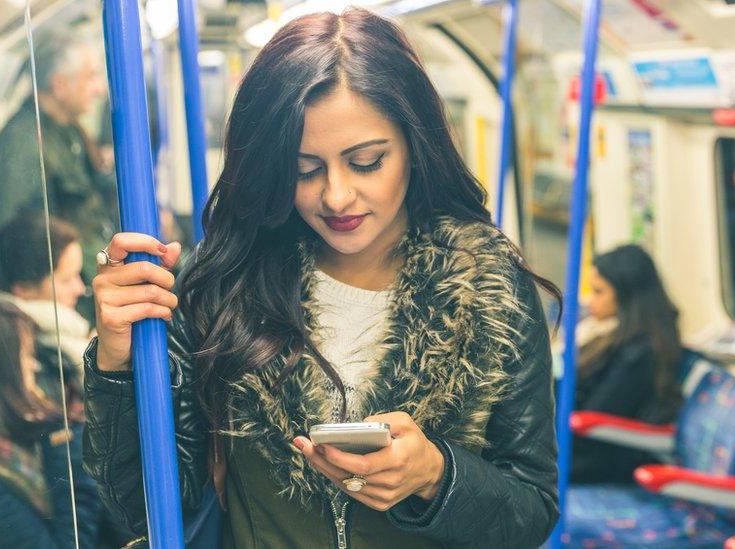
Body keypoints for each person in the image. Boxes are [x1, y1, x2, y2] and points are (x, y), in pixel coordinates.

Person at [83, 8, 560, 548]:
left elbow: (531, 510)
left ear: (414, 145)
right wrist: (118, 362)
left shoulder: (489, 290)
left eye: (366, 162)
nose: (335, 196)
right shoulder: (228, 284)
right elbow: (142, 502)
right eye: (304, 170)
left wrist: (435, 475)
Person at [0, 28, 118, 302]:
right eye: (90, 76)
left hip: (92, 273)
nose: (99, 88)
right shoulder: (24, 143)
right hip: (69, 294)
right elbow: (18, 245)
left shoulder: (68, 130)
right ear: (59, 85)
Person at [0, 290, 101, 549]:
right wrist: (65, 447)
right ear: (0, 368)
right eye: (25, 356)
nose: (33, 367)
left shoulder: (1, 439)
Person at [570, 244, 684, 484]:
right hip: (588, 447)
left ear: (625, 295)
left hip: (602, 459)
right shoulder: (619, 336)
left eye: (599, 292)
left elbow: (595, 414)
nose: (591, 301)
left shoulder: (640, 354)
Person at [0, 216, 91, 401]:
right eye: (66, 280)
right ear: (24, 289)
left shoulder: (64, 337)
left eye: (78, 275)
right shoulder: (23, 352)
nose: (81, 289)